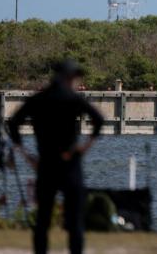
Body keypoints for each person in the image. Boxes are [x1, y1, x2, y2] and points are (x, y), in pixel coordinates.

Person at [7, 60, 104, 254]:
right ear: (70, 78)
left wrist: (26, 154)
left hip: (46, 162)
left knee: (43, 219)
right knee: (75, 220)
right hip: (70, 161)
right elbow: (98, 119)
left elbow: (13, 123)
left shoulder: (38, 99)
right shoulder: (73, 99)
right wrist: (84, 147)